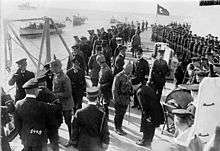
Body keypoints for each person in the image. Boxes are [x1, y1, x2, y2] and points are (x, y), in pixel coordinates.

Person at [7, 78, 51, 151]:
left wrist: (23, 136)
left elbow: (17, 124)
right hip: (40, 141)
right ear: (35, 91)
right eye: (37, 89)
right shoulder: (43, 105)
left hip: (26, 140)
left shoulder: (18, 104)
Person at [71, 87, 110, 151]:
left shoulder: (79, 112)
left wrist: (73, 141)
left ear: (86, 97)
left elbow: (75, 129)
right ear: (97, 98)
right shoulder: (102, 114)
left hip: (82, 144)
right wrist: (105, 142)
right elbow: (105, 131)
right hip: (96, 145)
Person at [50, 59, 74, 147]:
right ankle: (56, 137)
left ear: (58, 67)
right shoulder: (55, 76)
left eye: (52, 67)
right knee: (57, 121)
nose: (51, 69)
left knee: (68, 122)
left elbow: (68, 93)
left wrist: (56, 94)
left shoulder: (65, 78)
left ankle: (72, 139)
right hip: (59, 104)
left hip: (66, 104)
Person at [133, 81, 164, 149]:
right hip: (156, 109)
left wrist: (146, 116)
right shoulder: (146, 87)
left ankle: (144, 142)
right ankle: (149, 141)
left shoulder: (139, 92)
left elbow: (144, 106)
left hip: (149, 112)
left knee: (146, 126)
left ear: (135, 86)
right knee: (152, 127)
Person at [36, 78, 63, 151]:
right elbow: (59, 110)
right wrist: (58, 124)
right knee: (54, 145)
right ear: (45, 83)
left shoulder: (35, 96)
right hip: (52, 125)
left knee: (43, 146)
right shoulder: (52, 95)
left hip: (40, 127)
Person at [112, 63, 133, 135]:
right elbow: (114, 89)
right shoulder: (118, 76)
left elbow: (130, 86)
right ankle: (116, 128)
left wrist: (131, 91)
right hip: (119, 98)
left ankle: (120, 127)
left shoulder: (128, 76)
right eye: (129, 70)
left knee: (122, 114)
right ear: (125, 68)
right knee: (118, 114)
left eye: (130, 70)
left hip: (126, 99)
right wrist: (116, 99)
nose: (130, 72)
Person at [97, 54, 113, 119]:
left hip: (105, 89)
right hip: (103, 88)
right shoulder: (103, 67)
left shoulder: (106, 69)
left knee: (105, 103)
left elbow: (110, 81)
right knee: (103, 102)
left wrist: (102, 86)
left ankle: (106, 116)